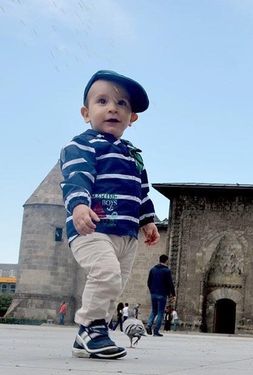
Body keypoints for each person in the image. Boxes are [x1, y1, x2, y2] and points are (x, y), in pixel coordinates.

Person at [60, 70, 159, 359]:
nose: (112, 108)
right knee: (105, 274)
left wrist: (148, 220)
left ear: (132, 118)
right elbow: (76, 177)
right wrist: (79, 206)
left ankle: (88, 337)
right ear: (86, 112)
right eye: (102, 101)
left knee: (114, 283)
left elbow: (141, 190)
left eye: (122, 104)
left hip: (126, 235)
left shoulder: (133, 154)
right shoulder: (82, 145)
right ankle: (91, 327)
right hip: (94, 229)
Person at [147, 254, 176, 337]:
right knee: (160, 312)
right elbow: (170, 283)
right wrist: (173, 294)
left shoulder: (153, 269)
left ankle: (149, 325)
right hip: (162, 294)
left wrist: (152, 290)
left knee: (154, 311)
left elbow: (149, 282)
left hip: (153, 293)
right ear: (166, 260)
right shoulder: (166, 271)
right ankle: (156, 331)